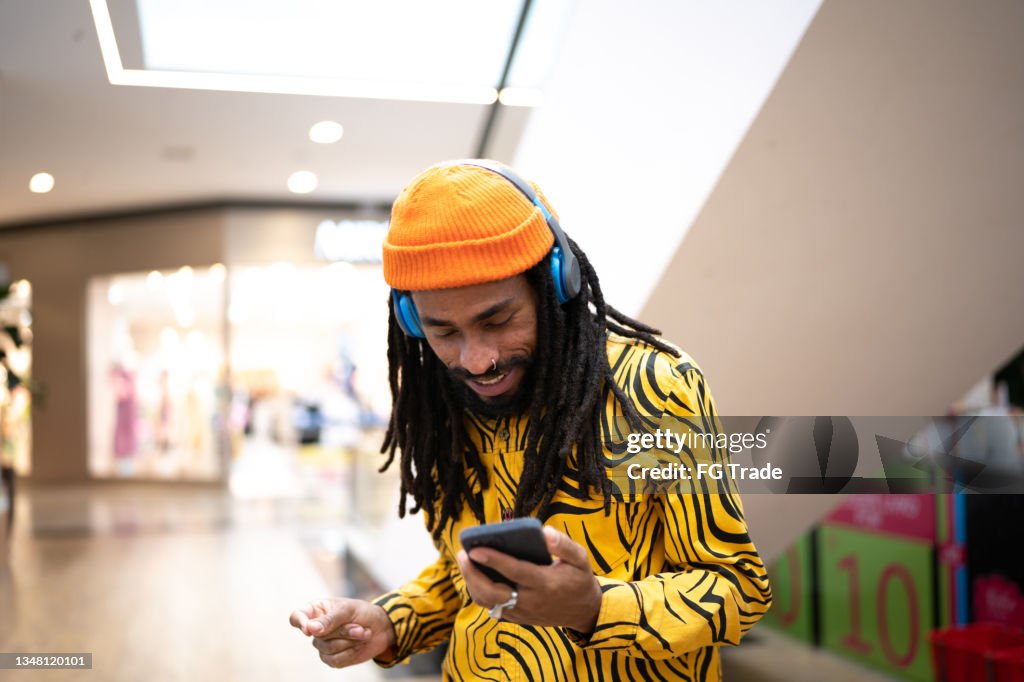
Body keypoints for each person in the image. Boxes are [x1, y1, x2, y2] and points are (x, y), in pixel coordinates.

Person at [290, 159, 772, 679]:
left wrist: (593, 608)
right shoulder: (447, 402)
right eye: (444, 332)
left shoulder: (654, 388)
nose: (477, 359)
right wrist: (389, 620)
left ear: (555, 283)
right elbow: (466, 579)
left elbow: (735, 584)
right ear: (411, 321)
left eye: (497, 320)